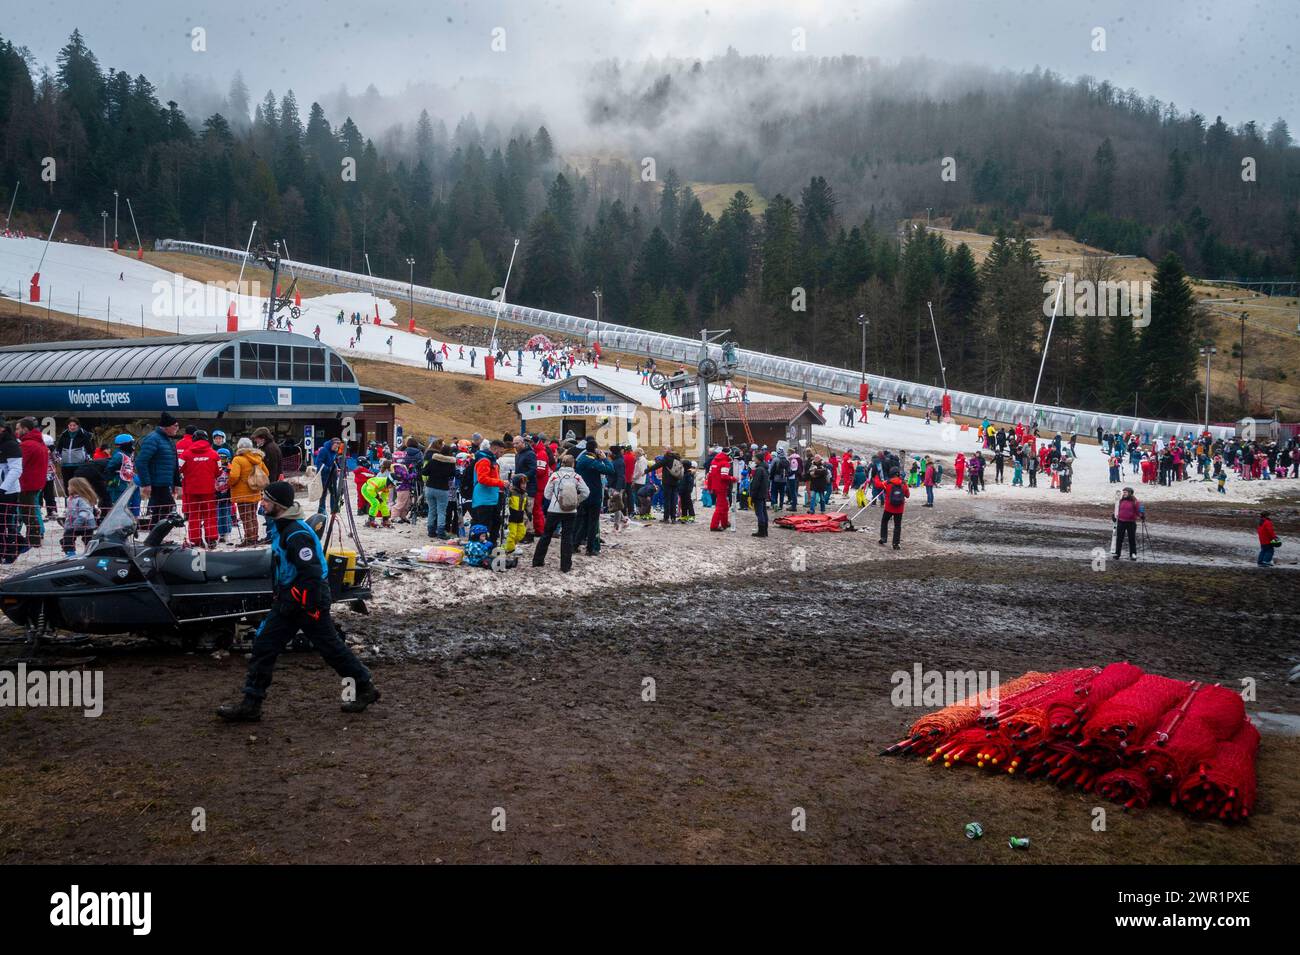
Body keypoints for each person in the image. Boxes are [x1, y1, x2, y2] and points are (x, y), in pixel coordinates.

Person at [217, 481, 379, 722]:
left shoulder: (296, 533)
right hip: (290, 601)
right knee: (264, 645)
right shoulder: (283, 528)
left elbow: (311, 574)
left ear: (278, 505)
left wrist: (302, 602)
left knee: (330, 648)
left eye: (266, 500)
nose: (262, 504)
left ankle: (364, 687)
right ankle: (251, 703)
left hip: (307, 602)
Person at [532, 454, 588, 573]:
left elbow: (547, 494)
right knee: (567, 537)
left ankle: (538, 560)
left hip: (554, 509)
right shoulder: (576, 477)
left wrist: (553, 499)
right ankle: (565, 566)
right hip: (571, 510)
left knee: (546, 535)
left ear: (561, 463)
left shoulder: (555, 475)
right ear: (573, 464)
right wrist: (577, 500)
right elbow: (586, 492)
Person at [136, 412, 181, 530]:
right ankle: (155, 535)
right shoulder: (153, 439)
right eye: (175, 426)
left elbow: (174, 463)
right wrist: (146, 483)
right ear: (167, 426)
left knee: (160, 510)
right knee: (168, 507)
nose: (178, 428)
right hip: (156, 482)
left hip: (165, 482)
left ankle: (155, 536)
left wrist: (176, 483)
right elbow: (141, 461)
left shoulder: (168, 440)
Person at [574, 438, 615, 553]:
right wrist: (605, 459)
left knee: (584, 522)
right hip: (593, 495)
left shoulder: (582, 458)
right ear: (595, 450)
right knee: (592, 522)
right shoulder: (591, 461)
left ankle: (575, 544)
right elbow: (610, 470)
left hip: (583, 494)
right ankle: (591, 548)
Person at [179, 429, 219, 547]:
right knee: (210, 514)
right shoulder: (214, 454)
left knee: (194, 515)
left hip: (191, 490)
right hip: (208, 490)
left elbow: (178, 469)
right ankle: (211, 539)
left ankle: (195, 540)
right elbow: (218, 472)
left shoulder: (185, 454)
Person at [15, 418, 48, 550]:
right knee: (30, 510)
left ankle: (34, 539)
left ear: (25, 429)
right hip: (36, 482)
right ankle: (34, 538)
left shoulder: (27, 445)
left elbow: (18, 464)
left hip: (27, 483)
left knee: (27, 512)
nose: (16, 431)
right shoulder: (39, 442)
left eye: (18, 428)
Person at [228, 437, 269, 545]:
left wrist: (229, 483)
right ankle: (254, 537)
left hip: (242, 494)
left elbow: (234, 476)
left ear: (239, 447)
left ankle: (249, 539)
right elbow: (266, 473)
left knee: (245, 517)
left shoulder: (238, 459)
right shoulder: (258, 458)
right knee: (253, 516)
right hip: (255, 492)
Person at [54, 417, 95, 490]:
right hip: (65, 465)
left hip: (79, 464)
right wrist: (58, 458)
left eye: (74, 425)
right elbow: (58, 449)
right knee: (67, 484)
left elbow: (89, 450)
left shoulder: (83, 435)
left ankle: (79, 499)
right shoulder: (63, 435)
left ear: (78, 426)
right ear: (68, 426)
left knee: (78, 484)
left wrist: (89, 459)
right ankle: (69, 499)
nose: (72, 427)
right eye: (70, 425)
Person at [61, 476, 99, 556]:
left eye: (69, 486)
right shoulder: (70, 498)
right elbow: (72, 509)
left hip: (85, 524)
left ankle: (92, 554)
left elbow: (85, 512)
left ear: (76, 488)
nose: (67, 488)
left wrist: (76, 523)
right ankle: (71, 555)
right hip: (73, 523)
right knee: (67, 539)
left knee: (88, 540)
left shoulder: (83, 499)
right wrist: (66, 513)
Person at [874, 467, 910, 549]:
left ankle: (883, 538)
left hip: (889, 508)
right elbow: (908, 495)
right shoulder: (903, 483)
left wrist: (876, 476)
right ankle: (896, 544)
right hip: (899, 509)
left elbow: (878, 485)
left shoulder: (888, 482)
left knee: (884, 522)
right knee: (897, 526)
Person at [706, 449, 737, 531]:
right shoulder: (725, 463)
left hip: (715, 487)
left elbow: (710, 475)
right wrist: (733, 478)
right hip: (722, 487)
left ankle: (724, 522)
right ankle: (714, 526)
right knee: (720, 507)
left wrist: (709, 487)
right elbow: (724, 476)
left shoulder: (713, 461)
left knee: (724, 506)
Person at [1114, 487, 1142, 561]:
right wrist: (1114, 516)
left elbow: (1140, 509)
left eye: (1125, 492)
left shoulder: (1135, 501)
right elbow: (1117, 510)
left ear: (1130, 493)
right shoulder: (1120, 501)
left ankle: (1133, 554)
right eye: (1123, 492)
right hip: (1121, 522)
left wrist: (1142, 515)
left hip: (1131, 523)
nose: (1124, 494)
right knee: (1119, 539)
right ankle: (1117, 553)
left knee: (1131, 539)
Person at [362, 462, 394, 528]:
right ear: (389, 482)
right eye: (392, 485)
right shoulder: (380, 482)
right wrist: (377, 497)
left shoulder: (386, 487)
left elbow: (384, 499)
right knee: (375, 503)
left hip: (374, 491)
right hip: (366, 489)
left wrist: (381, 500)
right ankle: (371, 520)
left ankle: (385, 519)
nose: (392, 487)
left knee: (383, 503)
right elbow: (370, 489)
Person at [505, 474, 529, 553]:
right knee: (512, 534)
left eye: (525, 484)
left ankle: (511, 545)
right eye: (522, 483)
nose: (524, 485)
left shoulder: (525, 494)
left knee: (521, 533)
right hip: (512, 517)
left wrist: (528, 512)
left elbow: (525, 505)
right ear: (517, 483)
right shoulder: (511, 492)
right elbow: (506, 503)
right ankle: (510, 548)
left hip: (520, 517)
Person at [750, 454, 770, 537]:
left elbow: (755, 484)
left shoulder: (759, 470)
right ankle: (765, 530)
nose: (753, 460)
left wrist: (752, 495)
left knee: (759, 513)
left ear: (758, 459)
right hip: (763, 493)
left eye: (754, 458)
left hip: (758, 494)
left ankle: (761, 531)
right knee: (763, 512)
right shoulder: (765, 469)